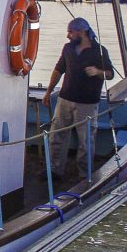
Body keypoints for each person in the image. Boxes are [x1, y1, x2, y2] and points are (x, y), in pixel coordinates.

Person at [42, 17, 114, 180]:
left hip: (87, 103)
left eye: (70, 32)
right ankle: (54, 171)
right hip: (65, 99)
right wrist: (48, 92)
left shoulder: (99, 51)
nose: (68, 35)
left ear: (82, 32)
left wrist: (97, 72)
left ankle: (84, 175)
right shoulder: (68, 48)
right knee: (56, 137)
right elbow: (58, 70)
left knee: (86, 141)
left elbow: (110, 74)